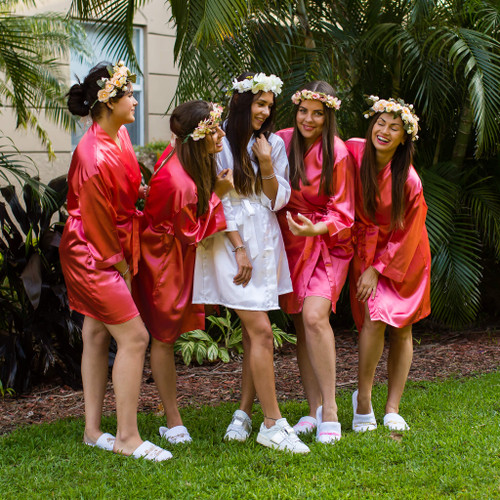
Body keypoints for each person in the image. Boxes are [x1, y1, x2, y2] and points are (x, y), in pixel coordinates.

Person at [193, 72, 309, 454]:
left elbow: (278, 201)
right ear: (242, 102)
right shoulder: (218, 139)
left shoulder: (271, 144)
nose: (264, 112)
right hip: (233, 238)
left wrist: (266, 164)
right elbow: (217, 196)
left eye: (269, 106)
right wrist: (239, 247)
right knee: (259, 330)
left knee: (253, 328)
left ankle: (243, 413)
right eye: (259, 103)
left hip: (265, 238)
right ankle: (273, 424)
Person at [60, 61, 171, 461]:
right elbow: (96, 220)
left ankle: (93, 432)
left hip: (107, 241)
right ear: (109, 103)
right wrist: (118, 262)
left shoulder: (119, 133)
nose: (136, 101)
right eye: (129, 95)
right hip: (92, 251)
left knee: (95, 333)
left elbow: (119, 194)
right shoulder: (92, 156)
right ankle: (127, 437)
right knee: (135, 337)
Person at [133, 101, 232, 445]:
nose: (221, 135)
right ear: (196, 138)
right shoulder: (181, 184)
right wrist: (218, 196)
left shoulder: (177, 157)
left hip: (166, 252)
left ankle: (170, 413)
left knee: (164, 338)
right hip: (163, 261)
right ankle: (173, 421)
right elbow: (192, 232)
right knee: (162, 339)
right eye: (214, 130)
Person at [275, 81, 355, 443]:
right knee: (300, 325)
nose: (308, 119)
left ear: (329, 116)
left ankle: (332, 411)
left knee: (314, 316)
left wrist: (316, 229)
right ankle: (312, 409)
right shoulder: (283, 139)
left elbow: (345, 212)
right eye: (303, 110)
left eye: (317, 113)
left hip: (325, 240)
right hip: (289, 238)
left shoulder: (336, 152)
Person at [346, 96, 431, 432]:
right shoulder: (353, 152)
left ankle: (393, 406)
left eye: (394, 127)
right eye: (380, 123)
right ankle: (363, 400)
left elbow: (409, 231)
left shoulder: (408, 179)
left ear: (403, 138)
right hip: (366, 247)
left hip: (405, 255)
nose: (384, 130)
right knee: (373, 319)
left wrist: (378, 268)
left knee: (402, 327)